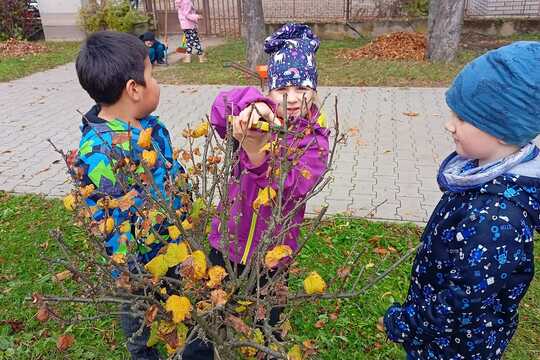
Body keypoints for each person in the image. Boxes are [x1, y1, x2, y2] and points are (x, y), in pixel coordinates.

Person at [383, 41, 540, 360]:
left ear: (503, 130)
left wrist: (408, 324)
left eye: (464, 118)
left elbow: (462, 303)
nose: (449, 124)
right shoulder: (481, 175)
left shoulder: (496, 218)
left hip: (456, 347)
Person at [182, 23, 330, 359]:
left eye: (302, 88)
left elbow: (293, 187)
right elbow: (221, 110)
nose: (292, 98)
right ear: (271, 89)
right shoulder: (257, 116)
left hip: (274, 253)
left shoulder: (314, 138)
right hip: (228, 239)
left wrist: (258, 155)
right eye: (283, 89)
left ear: (314, 90)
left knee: (267, 325)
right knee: (210, 316)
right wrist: (252, 104)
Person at [74, 31, 186, 360]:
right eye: (152, 73)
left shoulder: (145, 125)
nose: (157, 82)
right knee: (141, 331)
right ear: (133, 89)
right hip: (135, 266)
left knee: (179, 317)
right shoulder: (99, 152)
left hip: (169, 248)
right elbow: (123, 217)